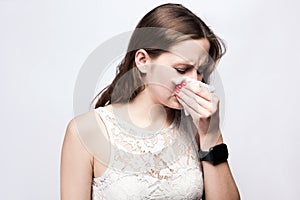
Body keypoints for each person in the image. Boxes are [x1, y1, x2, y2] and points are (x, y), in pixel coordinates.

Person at [60, 3, 240, 200]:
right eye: (181, 69)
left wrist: (211, 135)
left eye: (200, 71)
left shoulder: (198, 127)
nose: (194, 81)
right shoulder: (86, 131)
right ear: (143, 61)